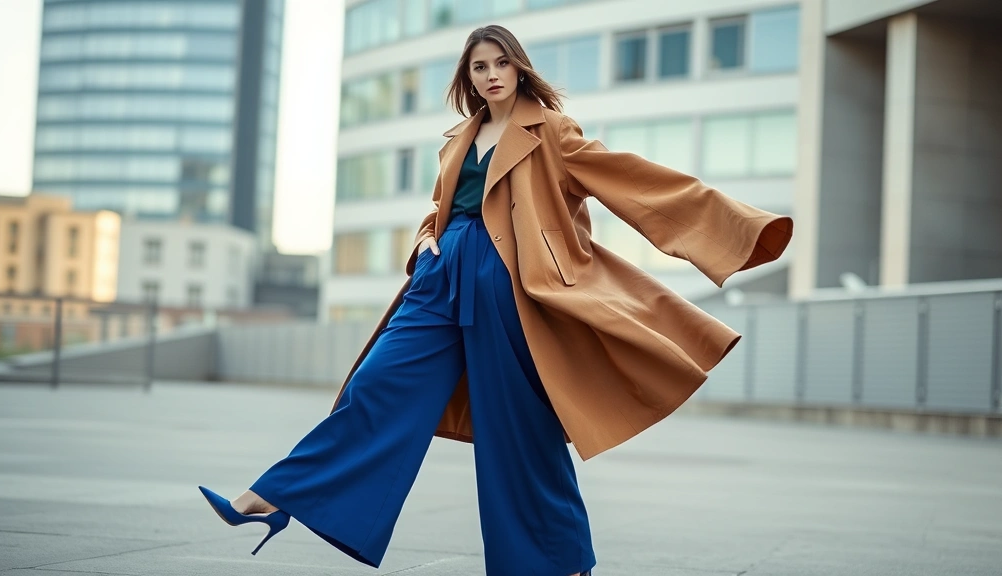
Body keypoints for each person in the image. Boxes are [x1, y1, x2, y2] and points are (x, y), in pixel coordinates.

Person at [198, 24, 792, 576]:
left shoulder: (552, 130)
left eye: (501, 62)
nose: (491, 74)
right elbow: (440, 208)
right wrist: (427, 239)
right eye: (479, 66)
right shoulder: (458, 139)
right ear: (468, 78)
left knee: (519, 431)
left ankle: (558, 561)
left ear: (519, 68)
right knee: (375, 385)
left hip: (512, 288)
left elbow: (633, 180)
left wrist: (734, 228)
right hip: (440, 281)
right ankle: (278, 493)